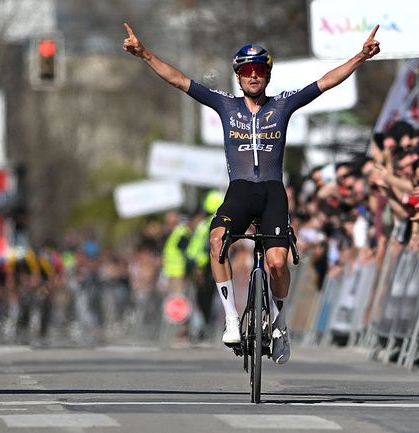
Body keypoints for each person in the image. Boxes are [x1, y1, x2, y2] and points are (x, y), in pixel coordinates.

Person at [123, 22, 380, 364]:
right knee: (217, 240)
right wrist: (144, 54)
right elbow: (179, 80)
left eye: (259, 70)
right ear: (238, 77)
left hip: (273, 191)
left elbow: (327, 81)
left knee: (278, 263)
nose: (253, 76)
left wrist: (361, 57)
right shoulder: (226, 105)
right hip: (240, 191)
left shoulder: (283, 105)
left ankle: (279, 323)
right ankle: (231, 318)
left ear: (268, 75)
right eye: (246, 71)